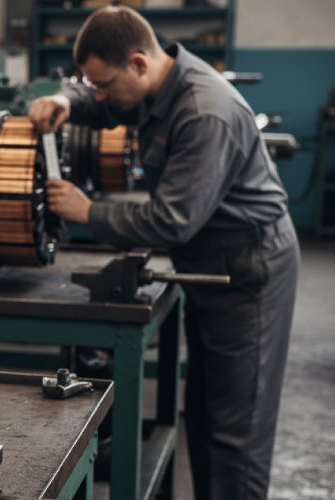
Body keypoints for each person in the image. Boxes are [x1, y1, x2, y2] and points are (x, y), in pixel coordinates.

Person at [29, 6, 300, 500]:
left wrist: (88, 211)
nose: (103, 95)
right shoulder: (155, 87)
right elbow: (102, 103)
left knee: (237, 430)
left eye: (105, 83)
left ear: (137, 62)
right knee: (204, 411)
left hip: (248, 270)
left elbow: (171, 222)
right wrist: (64, 98)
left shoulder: (202, 111)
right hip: (212, 262)